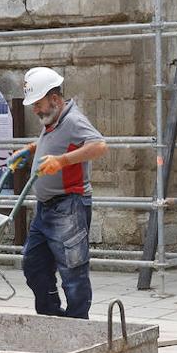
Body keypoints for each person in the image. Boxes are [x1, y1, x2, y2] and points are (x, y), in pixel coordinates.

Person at [17, 67, 108, 320]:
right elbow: (55, 143)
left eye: (38, 104)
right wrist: (32, 149)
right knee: (33, 265)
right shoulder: (53, 119)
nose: (35, 110)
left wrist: (63, 161)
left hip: (68, 207)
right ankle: (52, 318)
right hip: (46, 209)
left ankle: (78, 325)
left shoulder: (72, 120)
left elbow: (99, 145)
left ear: (55, 100)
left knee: (73, 274)